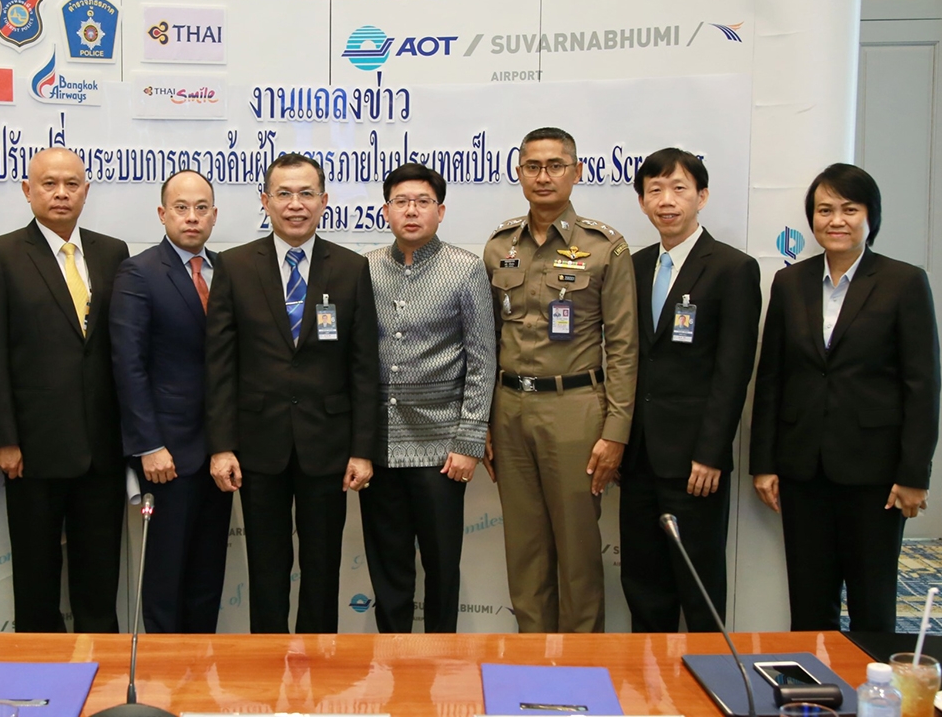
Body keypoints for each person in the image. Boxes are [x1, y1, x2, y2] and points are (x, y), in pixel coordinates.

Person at [750, 163, 940, 632]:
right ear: (812, 219)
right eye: (824, 209)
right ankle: (813, 701)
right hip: (802, 469)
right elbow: (772, 376)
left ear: (870, 217)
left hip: (875, 474)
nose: (836, 220)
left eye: (849, 209)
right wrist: (764, 462)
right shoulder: (790, 283)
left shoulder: (904, 282)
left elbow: (923, 384)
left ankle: (872, 701)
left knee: (872, 601)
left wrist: (914, 474)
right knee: (810, 603)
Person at [206, 152, 378, 634]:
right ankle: (268, 668)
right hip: (259, 444)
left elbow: (364, 367)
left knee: (323, 568)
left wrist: (363, 450)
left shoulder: (349, 267)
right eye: (284, 194)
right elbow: (219, 365)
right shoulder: (236, 266)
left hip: (329, 444)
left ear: (324, 201)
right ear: (265, 201)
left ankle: (319, 666)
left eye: (306, 194)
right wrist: (221, 445)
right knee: (266, 568)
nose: (295, 204)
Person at [482, 127, 638, 633]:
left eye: (555, 165)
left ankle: (582, 670)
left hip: (575, 410)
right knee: (524, 552)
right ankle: (532, 663)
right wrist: (481, 422)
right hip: (509, 409)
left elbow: (623, 345)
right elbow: (486, 341)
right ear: (519, 172)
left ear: (576, 171)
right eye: (532, 166)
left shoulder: (605, 247)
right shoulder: (499, 245)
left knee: (576, 552)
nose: (543, 176)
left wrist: (616, 430)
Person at [0, 147, 130, 633]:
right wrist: (1, 437)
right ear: (27, 190)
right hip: (32, 452)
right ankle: (42, 691)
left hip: (102, 452)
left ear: (86, 190)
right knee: (37, 585)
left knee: (99, 587)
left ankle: (100, 685)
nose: (61, 193)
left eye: (71, 184)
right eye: (48, 184)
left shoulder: (112, 252)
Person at [620, 148, 761, 633]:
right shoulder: (633, 266)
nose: (666, 200)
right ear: (641, 201)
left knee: (698, 588)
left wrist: (711, 452)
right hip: (638, 457)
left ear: (701, 196)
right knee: (643, 587)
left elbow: (733, 370)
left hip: (695, 460)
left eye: (679, 188)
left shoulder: (732, 268)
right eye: (654, 190)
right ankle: (648, 697)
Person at [360, 163, 495, 633]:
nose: (411, 211)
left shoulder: (465, 268)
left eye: (421, 202)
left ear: (439, 211)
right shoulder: (368, 267)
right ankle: (393, 660)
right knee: (388, 568)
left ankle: (443, 661)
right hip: (380, 446)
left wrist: (468, 441)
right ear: (386, 211)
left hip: (442, 448)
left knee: (441, 565)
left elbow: (482, 360)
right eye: (401, 202)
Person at [109, 170, 232, 633]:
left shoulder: (228, 270)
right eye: (181, 207)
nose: (192, 217)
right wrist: (148, 444)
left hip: (219, 452)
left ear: (215, 215)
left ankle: (198, 676)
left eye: (202, 208)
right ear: (162, 214)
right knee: (165, 576)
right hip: (166, 454)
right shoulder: (139, 272)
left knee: (207, 575)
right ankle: (162, 682)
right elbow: (128, 366)